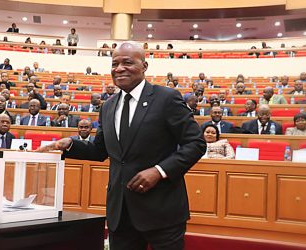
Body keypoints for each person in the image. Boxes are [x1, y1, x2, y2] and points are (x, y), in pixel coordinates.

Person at [38, 42, 206, 250]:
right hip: (120, 212)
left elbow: (196, 143)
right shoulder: (108, 106)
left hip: (162, 211)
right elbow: (101, 151)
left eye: (127, 62)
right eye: (114, 63)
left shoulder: (166, 98)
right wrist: (71, 145)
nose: (119, 68)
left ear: (144, 66)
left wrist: (159, 171)